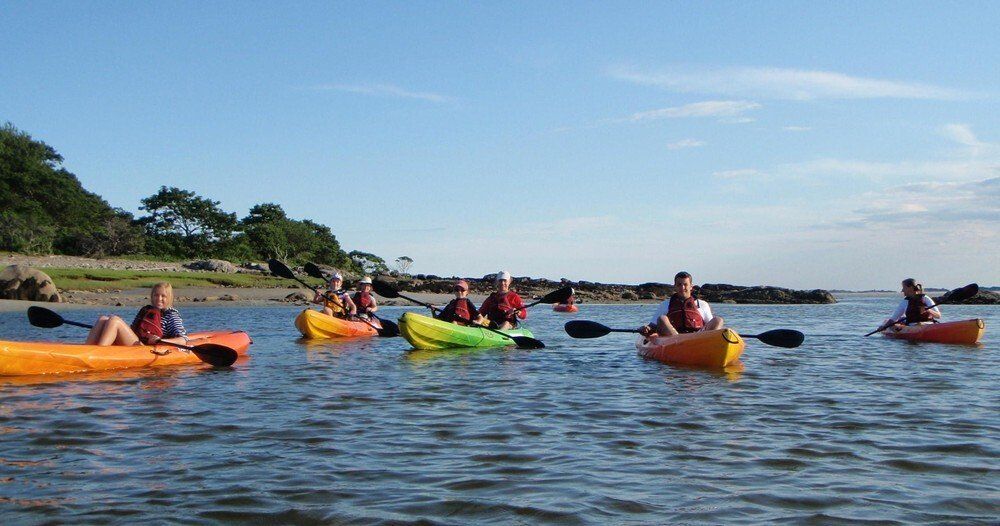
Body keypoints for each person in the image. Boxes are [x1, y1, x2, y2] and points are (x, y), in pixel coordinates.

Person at [85, 282, 188, 346]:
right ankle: (86, 349)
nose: (159, 299)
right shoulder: (146, 310)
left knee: (114, 320)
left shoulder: (171, 315)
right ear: (152, 296)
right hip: (137, 341)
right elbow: (133, 329)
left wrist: (160, 340)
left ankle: (99, 353)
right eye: (156, 295)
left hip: (143, 347)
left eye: (163, 296)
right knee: (103, 319)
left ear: (169, 298)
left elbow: (184, 339)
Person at [639, 271, 725, 337]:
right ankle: (679, 342)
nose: (682, 287)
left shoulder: (702, 304)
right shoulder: (665, 304)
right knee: (662, 318)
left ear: (691, 286)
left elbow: (710, 325)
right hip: (674, 338)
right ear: (675, 286)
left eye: (685, 284)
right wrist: (647, 328)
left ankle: (710, 345)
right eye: (679, 285)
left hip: (698, 338)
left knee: (718, 320)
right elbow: (652, 325)